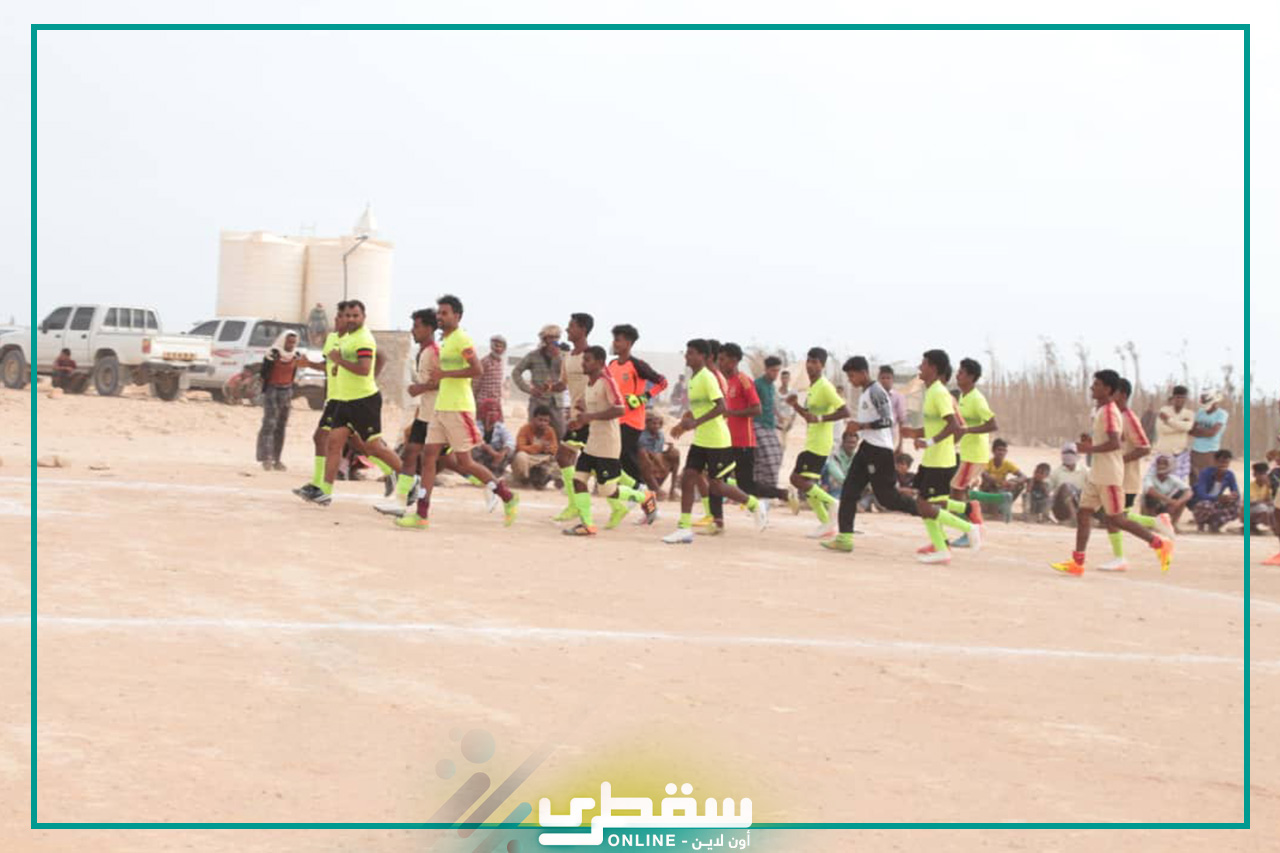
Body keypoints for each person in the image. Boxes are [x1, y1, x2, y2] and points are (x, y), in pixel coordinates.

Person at [395, 295, 520, 530]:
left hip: (459, 408)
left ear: (457, 316)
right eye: (439, 313)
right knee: (428, 457)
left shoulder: (462, 339)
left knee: (465, 462)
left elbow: (477, 369)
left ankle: (507, 496)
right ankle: (421, 515)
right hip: (441, 408)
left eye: (445, 313)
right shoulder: (446, 342)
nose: (440, 317)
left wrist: (444, 375)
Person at [1050, 369, 1173, 575]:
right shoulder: (1101, 410)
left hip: (1109, 476)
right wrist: (1089, 443)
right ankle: (1077, 562)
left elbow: (1115, 443)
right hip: (1096, 473)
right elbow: (1105, 440)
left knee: (1117, 519)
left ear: (1108, 389)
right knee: (1084, 513)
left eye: (1097, 384)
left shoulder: (1109, 412)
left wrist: (1089, 449)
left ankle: (1159, 543)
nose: (1092, 387)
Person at [661, 339, 767, 544]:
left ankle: (754, 504)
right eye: (686, 353)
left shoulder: (708, 378)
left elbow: (721, 407)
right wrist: (685, 424)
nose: (686, 356)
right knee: (688, 478)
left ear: (702, 356)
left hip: (717, 440)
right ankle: (684, 528)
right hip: (701, 440)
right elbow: (701, 408)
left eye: (691, 353)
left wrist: (695, 423)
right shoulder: (694, 378)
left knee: (717, 486)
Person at [301, 301, 404, 505]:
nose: (347, 319)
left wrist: (367, 376)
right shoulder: (340, 338)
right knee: (332, 442)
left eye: (353, 316)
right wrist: (315, 364)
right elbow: (331, 365)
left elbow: (368, 365)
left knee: (371, 446)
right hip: (340, 399)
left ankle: (405, 476)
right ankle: (323, 490)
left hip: (359, 400)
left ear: (363, 317)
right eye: (344, 316)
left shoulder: (362, 338)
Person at [821, 357, 920, 553]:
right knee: (849, 491)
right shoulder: (866, 392)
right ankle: (845, 538)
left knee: (888, 498)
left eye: (852, 376)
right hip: (867, 447)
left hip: (879, 451)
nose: (850, 380)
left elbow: (887, 421)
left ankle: (928, 511)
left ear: (863, 373)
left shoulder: (876, 391)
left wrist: (860, 426)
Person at [560, 346, 658, 535]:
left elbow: (620, 409)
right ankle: (587, 525)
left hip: (608, 444)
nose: (583, 363)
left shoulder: (607, 382)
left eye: (587, 360)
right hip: (592, 442)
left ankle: (645, 497)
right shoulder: (589, 384)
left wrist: (590, 416)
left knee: (607, 490)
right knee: (578, 481)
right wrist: (579, 421)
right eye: (583, 359)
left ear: (599, 362)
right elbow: (591, 410)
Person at [898, 350, 978, 563]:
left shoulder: (939, 393)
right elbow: (937, 426)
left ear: (933, 368)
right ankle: (942, 548)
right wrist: (915, 433)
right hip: (932, 459)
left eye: (923, 364)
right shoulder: (932, 391)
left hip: (941, 460)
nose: (919, 368)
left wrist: (929, 442)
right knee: (924, 505)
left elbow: (954, 425)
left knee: (927, 506)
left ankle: (969, 527)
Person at [1099, 377, 1171, 572]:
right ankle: (1155, 524)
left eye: (1113, 392)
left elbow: (1145, 448)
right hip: (1113, 475)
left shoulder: (1129, 418)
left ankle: (1144, 547)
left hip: (1126, 478)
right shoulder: (1112, 416)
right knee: (1116, 516)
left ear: (1122, 395)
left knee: (1115, 517)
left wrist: (1120, 461)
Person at [707, 342, 780, 528]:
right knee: (716, 479)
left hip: (743, 442)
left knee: (746, 485)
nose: (719, 363)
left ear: (733, 361)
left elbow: (757, 409)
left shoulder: (743, 380)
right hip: (724, 441)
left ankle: (781, 494)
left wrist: (731, 413)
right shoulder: (722, 382)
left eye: (722, 359)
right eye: (718, 359)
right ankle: (717, 521)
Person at [375, 308, 440, 516]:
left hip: (437, 415)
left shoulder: (435, 352)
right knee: (410, 453)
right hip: (424, 412)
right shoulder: (421, 352)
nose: (413, 331)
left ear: (429, 329)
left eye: (416, 326)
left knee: (457, 463)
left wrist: (419, 388)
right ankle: (401, 501)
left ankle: (501, 491)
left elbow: (443, 381)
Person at [785, 348, 850, 539]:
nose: (810, 365)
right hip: (811, 441)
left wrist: (821, 418)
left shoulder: (825, 386)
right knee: (806, 484)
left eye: (815, 362)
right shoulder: (813, 387)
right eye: (809, 361)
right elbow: (809, 417)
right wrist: (795, 405)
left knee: (797, 480)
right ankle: (826, 524)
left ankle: (832, 503)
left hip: (820, 443)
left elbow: (845, 411)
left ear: (822, 365)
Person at [607, 323, 668, 493]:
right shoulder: (612, 365)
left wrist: (642, 398)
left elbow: (662, 382)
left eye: (618, 340)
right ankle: (637, 493)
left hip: (632, 421)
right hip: (614, 419)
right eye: (614, 339)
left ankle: (641, 493)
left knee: (623, 457)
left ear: (628, 343)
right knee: (621, 458)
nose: (614, 343)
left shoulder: (637, 365)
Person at [946, 358, 997, 541]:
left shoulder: (977, 399)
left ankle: (970, 531)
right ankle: (975, 524)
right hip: (967, 452)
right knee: (959, 490)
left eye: (961, 372)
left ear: (971, 377)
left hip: (974, 454)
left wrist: (968, 430)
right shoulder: (964, 397)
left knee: (956, 491)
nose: (957, 375)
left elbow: (992, 424)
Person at [550, 313, 594, 522]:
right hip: (577, 417)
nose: (567, 330)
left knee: (597, 464)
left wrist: (590, 404)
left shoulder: (592, 356)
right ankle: (575, 504)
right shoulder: (567, 357)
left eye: (571, 326)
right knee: (565, 457)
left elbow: (602, 382)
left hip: (592, 417)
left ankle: (639, 494)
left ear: (583, 329)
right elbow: (563, 384)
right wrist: (548, 387)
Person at [256, 331, 300, 471]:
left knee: (281, 425)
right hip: (272, 390)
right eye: (289, 342)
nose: (291, 345)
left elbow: (293, 375)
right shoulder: (272, 354)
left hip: (286, 391)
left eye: (293, 342)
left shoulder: (296, 356)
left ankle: (277, 459)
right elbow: (264, 374)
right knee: (269, 424)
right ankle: (266, 458)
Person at [511, 324, 565, 435]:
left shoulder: (563, 355)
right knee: (533, 432)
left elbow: (568, 373)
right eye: (551, 337)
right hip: (538, 400)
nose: (554, 340)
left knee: (560, 432)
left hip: (556, 401)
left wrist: (558, 356)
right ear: (544, 338)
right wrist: (529, 389)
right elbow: (516, 372)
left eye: (556, 337)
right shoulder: (533, 355)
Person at [752, 356, 790, 504]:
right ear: (766, 369)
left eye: (777, 371)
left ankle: (768, 489)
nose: (775, 374)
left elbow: (771, 404)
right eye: (773, 370)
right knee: (766, 457)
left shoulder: (772, 387)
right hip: (757, 424)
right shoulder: (757, 385)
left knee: (777, 455)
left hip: (770, 425)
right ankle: (763, 490)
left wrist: (779, 417)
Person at [1189, 449, 1241, 533]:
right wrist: (1218, 498)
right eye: (1221, 462)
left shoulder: (1229, 475)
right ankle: (1201, 524)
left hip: (1217, 502)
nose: (1223, 465)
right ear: (1215, 462)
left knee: (1238, 506)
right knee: (1205, 505)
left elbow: (1236, 492)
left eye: (1226, 463)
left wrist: (1231, 497)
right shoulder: (1205, 473)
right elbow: (1201, 494)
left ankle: (1215, 524)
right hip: (1201, 502)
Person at [1151, 385, 1195, 482]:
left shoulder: (1189, 413)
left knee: (1178, 484)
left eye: (1182, 397)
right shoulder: (1164, 410)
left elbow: (1188, 427)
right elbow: (1162, 429)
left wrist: (1168, 420)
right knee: (1160, 483)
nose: (1180, 400)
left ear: (1186, 399)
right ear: (1173, 398)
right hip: (1164, 454)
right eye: (1177, 397)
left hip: (1180, 454)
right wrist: (1180, 426)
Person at [512, 405, 560, 489]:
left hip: (543, 459)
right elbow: (520, 447)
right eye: (540, 420)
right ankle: (524, 479)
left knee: (559, 461)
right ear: (534, 419)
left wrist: (548, 449)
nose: (543, 423)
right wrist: (539, 447)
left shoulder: (550, 431)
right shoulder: (525, 429)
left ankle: (547, 480)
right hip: (528, 458)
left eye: (545, 421)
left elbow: (554, 449)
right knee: (520, 456)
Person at [638, 411, 682, 499]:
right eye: (654, 423)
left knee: (675, 453)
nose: (657, 426)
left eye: (659, 424)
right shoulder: (641, 435)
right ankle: (656, 489)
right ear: (647, 423)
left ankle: (672, 490)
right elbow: (647, 452)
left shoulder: (660, 435)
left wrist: (669, 450)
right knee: (643, 455)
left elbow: (658, 451)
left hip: (656, 464)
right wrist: (660, 464)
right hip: (645, 465)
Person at [1142, 454, 1192, 528]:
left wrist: (1178, 502)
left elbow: (1188, 491)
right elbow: (1150, 490)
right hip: (1155, 505)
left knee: (1182, 495)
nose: (1161, 466)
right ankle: (1153, 523)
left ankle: (1173, 524)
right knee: (1149, 496)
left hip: (1167, 505)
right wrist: (1168, 500)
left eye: (1164, 464)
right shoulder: (1149, 477)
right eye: (1159, 464)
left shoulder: (1173, 478)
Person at [1189, 390, 1229, 482]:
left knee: (1209, 477)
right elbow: (1191, 431)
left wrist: (1199, 431)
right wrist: (1205, 432)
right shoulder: (1200, 412)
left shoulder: (1222, 414)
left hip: (1211, 451)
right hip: (1196, 450)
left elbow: (1212, 433)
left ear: (1214, 403)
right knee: (1194, 477)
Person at [471, 398, 514, 477]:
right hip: (481, 455)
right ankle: (477, 471)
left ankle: (498, 471)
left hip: (495, 457)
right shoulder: (475, 425)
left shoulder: (500, 426)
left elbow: (510, 440)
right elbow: (477, 440)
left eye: (496, 411)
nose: (493, 413)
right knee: (472, 449)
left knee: (511, 451)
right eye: (490, 410)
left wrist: (502, 453)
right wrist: (490, 451)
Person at [1048, 442, 1090, 523]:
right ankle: (1074, 519)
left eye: (1071, 452)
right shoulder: (1056, 473)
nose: (1068, 455)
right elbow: (1047, 489)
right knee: (1065, 488)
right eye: (1066, 452)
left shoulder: (1085, 471)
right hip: (1062, 508)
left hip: (1080, 504)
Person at [473, 335, 507, 413]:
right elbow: (476, 381)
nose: (498, 349)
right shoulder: (485, 361)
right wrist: (474, 398)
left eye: (501, 347)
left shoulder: (500, 362)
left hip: (495, 402)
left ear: (504, 349)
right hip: (483, 401)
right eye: (496, 346)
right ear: (491, 347)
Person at [878, 364, 908, 453]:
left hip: (891, 437)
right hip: (876, 437)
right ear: (879, 379)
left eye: (888, 378)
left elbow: (901, 422)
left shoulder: (898, 397)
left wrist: (900, 445)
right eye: (883, 378)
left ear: (892, 379)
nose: (885, 380)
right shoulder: (873, 396)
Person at [821, 430, 858, 498]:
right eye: (849, 442)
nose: (851, 445)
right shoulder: (834, 453)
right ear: (843, 442)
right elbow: (834, 470)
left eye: (853, 443)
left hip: (848, 486)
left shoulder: (857, 456)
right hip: (836, 486)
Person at [1249, 461, 1274, 535]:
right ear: (1254, 475)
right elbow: (1251, 502)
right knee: (1262, 508)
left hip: (1262, 507)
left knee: (1273, 509)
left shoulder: (1267, 486)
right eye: (1260, 474)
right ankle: (1263, 526)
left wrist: (1269, 487)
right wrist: (1263, 502)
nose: (1262, 476)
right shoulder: (1250, 486)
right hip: (1250, 510)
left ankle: (1272, 526)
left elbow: (1270, 500)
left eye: (1264, 474)